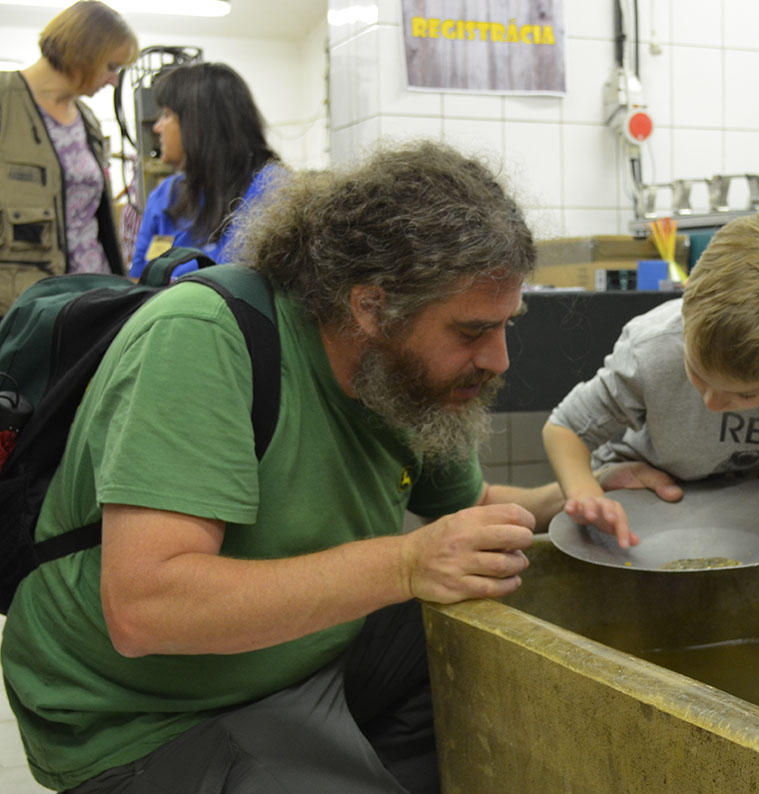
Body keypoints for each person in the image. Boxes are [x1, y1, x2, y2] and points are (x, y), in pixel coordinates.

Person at [0, 140, 572, 793]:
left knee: (495, 600)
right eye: (471, 332)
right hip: (142, 712)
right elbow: (146, 609)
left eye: (506, 325)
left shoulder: (403, 379)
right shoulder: (207, 337)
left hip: (300, 659)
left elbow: (470, 514)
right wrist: (404, 564)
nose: (499, 360)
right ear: (371, 308)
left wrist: (573, 498)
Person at [542, 212, 759, 548]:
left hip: (749, 502)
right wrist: (587, 494)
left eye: (745, 395)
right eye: (697, 374)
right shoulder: (651, 349)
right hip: (647, 495)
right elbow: (565, 429)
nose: (712, 403)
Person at [0, 1, 136, 313]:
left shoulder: (86, 120)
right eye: (111, 67)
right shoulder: (5, 100)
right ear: (82, 53)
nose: (114, 80)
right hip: (23, 306)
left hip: (90, 300)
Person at [129, 62, 281, 279]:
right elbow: (139, 279)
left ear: (199, 123)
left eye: (167, 115)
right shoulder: (164, 196)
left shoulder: (272, 192)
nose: (157, 127)